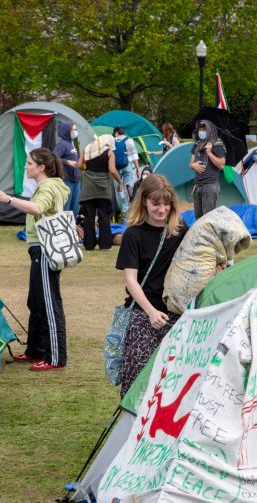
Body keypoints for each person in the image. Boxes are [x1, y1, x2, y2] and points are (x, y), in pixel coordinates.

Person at [0, 148, 70, 371]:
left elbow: (36, 208)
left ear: (41, 167)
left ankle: (55, 358)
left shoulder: (48, 187)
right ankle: (35, 349)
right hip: (38, 249)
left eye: (30, 163)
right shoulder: (51, 186)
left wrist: (8, 200)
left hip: (44, 250)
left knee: (49, 304)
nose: (26, 166)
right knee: (35, 302)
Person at [115, 174, 187, 397]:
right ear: (144, 201)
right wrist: (150, 312)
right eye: (156, 203)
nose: (162, 209)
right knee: (138, 382)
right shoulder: (133, 235)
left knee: (172, 382)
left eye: (167, 204)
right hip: (142, 316)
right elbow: (130, 280)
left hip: (175, 316)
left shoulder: (181, 231)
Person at [78, 135, 122, 250]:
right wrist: (120, 182)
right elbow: (112, 170)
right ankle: (105, 244)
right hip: (103, 188)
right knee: (104, 216)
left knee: (88, 217)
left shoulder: (87, 149)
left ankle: (89, 244)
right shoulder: (109, 153)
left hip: (88, 187)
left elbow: (79, 165)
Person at [189, 120, 226, 219]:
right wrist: (194, 165)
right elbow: (190, 164)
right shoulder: (197, 144)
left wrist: (209, 153)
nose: (201, 131)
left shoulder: (217, 145)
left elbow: (221, 165)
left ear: (210, 130)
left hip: (210, 185)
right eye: (199, 129)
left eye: (203, 129)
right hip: (197, 185)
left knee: (208, 218)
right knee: (198, 217)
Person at [53, 121, 81, 214]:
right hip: (67, 181)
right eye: (74, 130)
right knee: (66, 208)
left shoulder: (72, 143)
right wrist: (67, 162)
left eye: (76, 129)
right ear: (66, 131)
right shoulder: (62, 144)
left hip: (76, 180)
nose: (76, 132)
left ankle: (73, 227)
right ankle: (65, 227)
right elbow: (53, 158)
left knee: (75, 208)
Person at [113, 127, 141, 213]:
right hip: (127, 166)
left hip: (116, 168)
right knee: (126, 188)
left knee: (116, 188)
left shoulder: (112, 141)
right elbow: (134, 156)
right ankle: (125, 209)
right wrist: (137, 169)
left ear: (116, 132)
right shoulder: (129, 140)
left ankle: (118, 209)